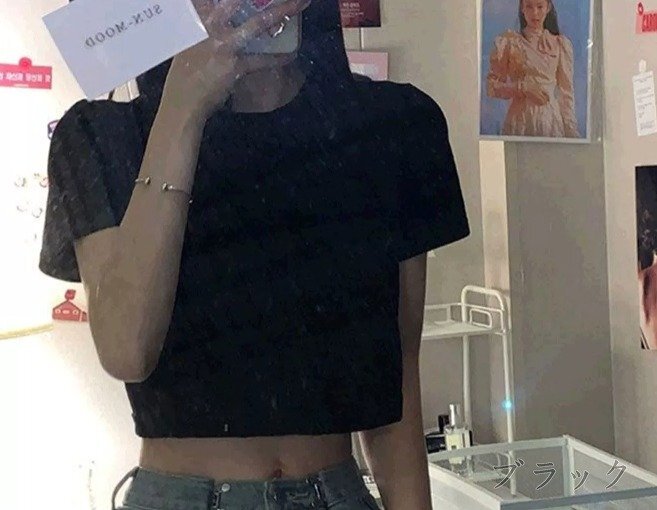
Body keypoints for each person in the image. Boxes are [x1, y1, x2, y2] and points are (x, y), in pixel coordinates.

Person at [39, 1, 470, 509]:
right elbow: (126, 350)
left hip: (337, 493)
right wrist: (183, 106)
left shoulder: (393, 126)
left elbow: (398, 376)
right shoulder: (100, 135)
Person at [486, 0, 580, 138]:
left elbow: (566, 94)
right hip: (519, 121)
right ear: (522, 8)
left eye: (540, 7)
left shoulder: (560, 44)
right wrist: (523, 88)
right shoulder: (509, 43)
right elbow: (491, 87)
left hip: (549, 121)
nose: (534, 13)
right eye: (529, 7)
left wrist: (572, 134)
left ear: (548, 8)